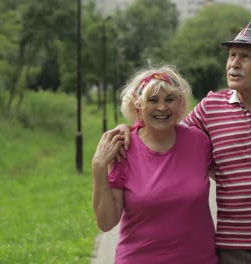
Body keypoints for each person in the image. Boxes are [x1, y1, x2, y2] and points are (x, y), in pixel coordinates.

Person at [114, 21, 251, 264]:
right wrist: (129, 128)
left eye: (245, 56)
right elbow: (166, 130)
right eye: (231, 55)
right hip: (233, 248)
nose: (234, 64)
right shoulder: (211, 107)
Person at [92, 66, 219, 263]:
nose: (162, 107)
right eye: (153, 100)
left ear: (180, 104)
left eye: (169, 99)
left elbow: (231, 175)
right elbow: (107, 222)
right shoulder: (124, 149)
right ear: (138, 107)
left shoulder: (198, 142)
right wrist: (99, 167)